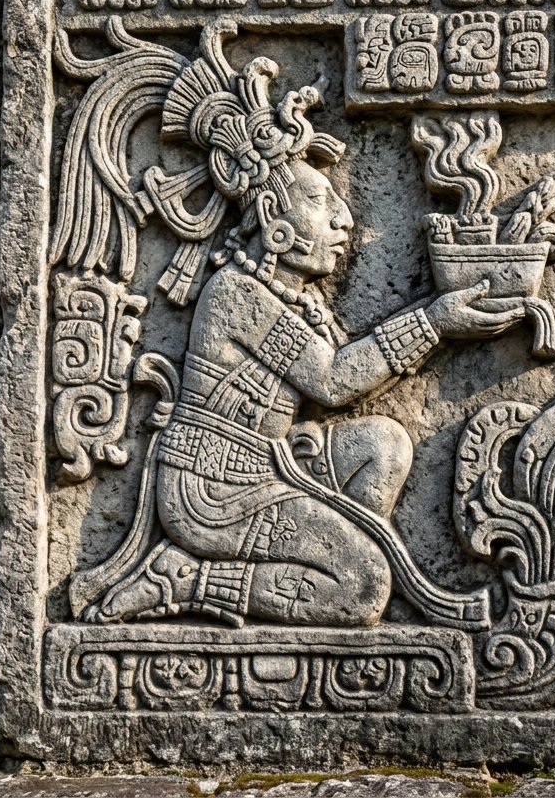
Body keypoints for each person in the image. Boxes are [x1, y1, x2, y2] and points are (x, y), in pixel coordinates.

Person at [87, 122, 524, 628]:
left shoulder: (295, 300)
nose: (343, 218)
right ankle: (184, 579)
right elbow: (333, 380)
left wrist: (435, 320)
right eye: (319, 200)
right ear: (273, 215)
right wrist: (431, 322)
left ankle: (330, 550)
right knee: (365, 587)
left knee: (384, 444)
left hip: (271, 464)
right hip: (213, 491)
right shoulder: (236, 294)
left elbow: (346, 377)